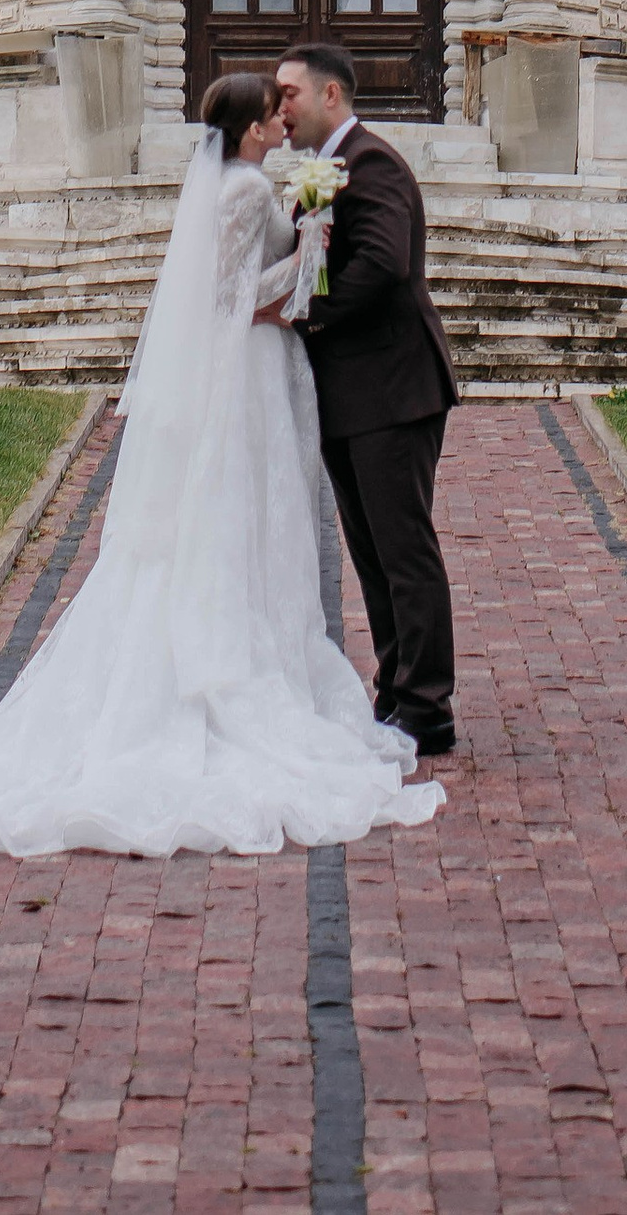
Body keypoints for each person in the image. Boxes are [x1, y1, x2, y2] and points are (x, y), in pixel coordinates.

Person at [0, 74, 445, 860]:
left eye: (290, 100)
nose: (283, 116)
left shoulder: (242, 181)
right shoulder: (244, 190)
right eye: (272, 109)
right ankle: (246, 671)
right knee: (242, 516)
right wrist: (310, 250)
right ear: (251, 127)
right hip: (246, 366)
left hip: (252, 366)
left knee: (242, 519)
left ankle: (295, 666)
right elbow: (233, 299)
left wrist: (308, 243)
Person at [271, 41, 460, 756]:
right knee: (373, 556)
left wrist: (305, 313)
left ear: (331, 95)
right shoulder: (327, 169)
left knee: (403, 551)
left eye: (290, 93)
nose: (279, 107)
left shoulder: (372, 163)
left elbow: (383, 261)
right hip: (352, 394)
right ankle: (396, 689)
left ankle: (427, 706)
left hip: (393, 389)